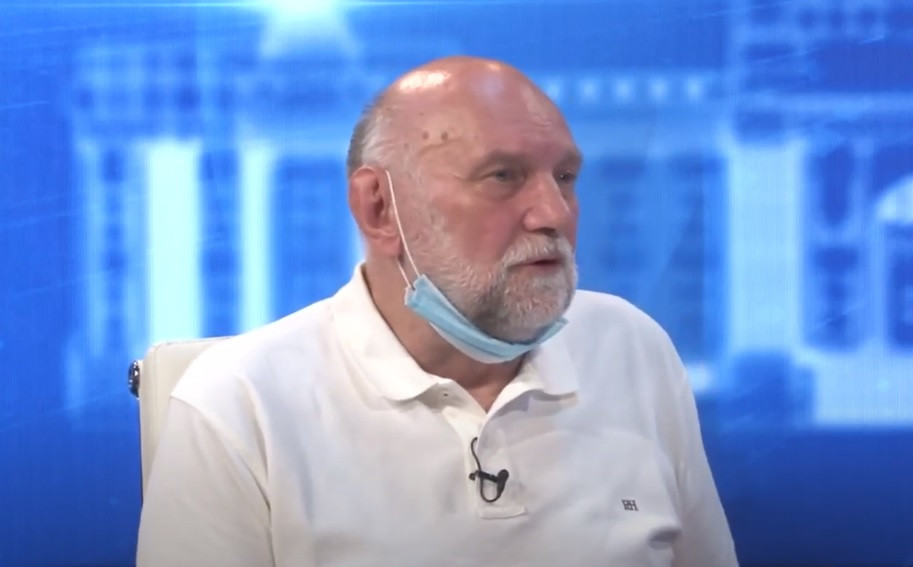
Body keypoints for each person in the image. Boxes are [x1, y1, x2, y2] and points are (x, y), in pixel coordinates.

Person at [136, 55, 738, 566]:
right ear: (379, 209)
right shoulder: (239, 405)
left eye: (565, 176)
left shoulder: (632, 347)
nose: (555, 213)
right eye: (503, 176)